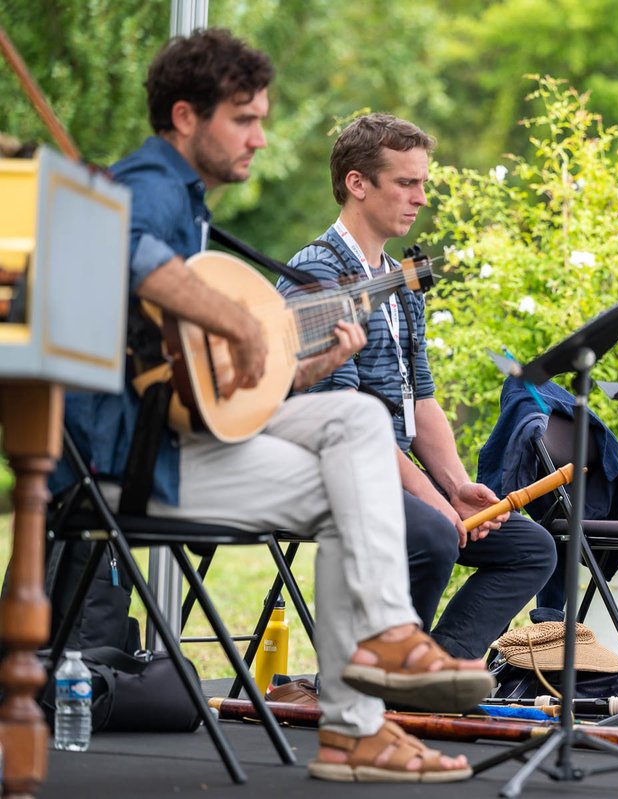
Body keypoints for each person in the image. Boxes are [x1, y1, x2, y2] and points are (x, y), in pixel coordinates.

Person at [52, 29, 492, 782]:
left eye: (261, 118)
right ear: (186, 117)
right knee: (353, 492)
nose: (260, 137)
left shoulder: (187, 207)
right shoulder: (147, 187)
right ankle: (358, 722)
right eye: (243, 120)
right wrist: (234, 320)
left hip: (180, 433)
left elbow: (202, 382)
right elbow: (124, 248)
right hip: (131, 460)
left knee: (355, 425)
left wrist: (311, 365)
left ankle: (381, 655)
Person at [279, 113, 557, 659]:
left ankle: (433, 668)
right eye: (407, 183)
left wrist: (456, 487)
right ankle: (386, 672)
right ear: (357, 184)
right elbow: (347, 419)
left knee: (531, 547)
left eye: (423, 183)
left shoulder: (399, 279)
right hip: (324, 469)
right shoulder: (318, 274)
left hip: (385, 470)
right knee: (431, 534)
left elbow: (420, 398)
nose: (421, 197)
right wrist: (434, 503)